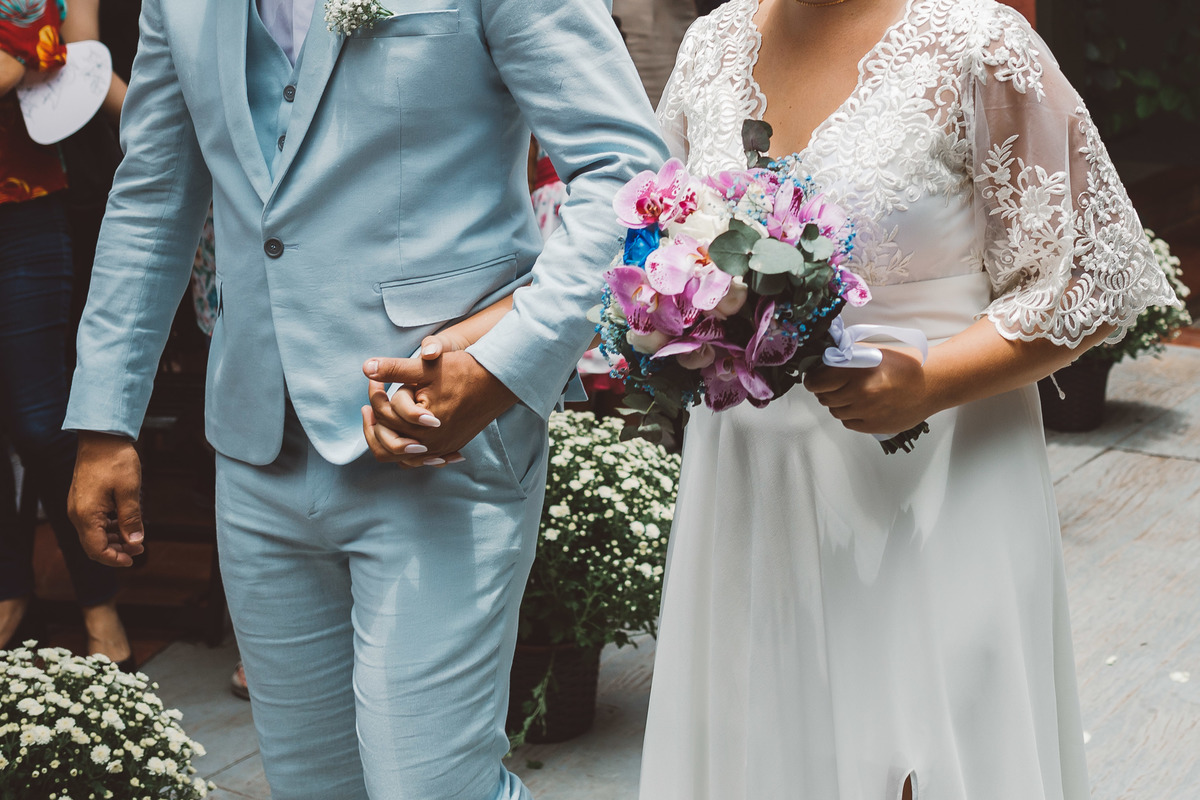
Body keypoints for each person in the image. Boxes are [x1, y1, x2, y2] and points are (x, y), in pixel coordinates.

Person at [64, 3, 667, 800]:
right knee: (311, 787)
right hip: (257, 453)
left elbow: (628, 176)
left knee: (433, 789)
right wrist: (105, 416)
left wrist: (500, 364)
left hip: (441, 444)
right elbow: (151, 195)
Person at [639, 1, 1177, 799]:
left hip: (940, 474)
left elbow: (1097, 279)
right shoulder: (712, 45)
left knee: (924, 752)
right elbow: (657, 239)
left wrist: (932, 379)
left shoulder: (979, 46)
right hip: (750, 485)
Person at [0, 0, 133, 668]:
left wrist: (160, 124)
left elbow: (66, 52)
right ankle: (9, 590)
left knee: (38, 418)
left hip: (23, 205)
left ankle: (98, 598)